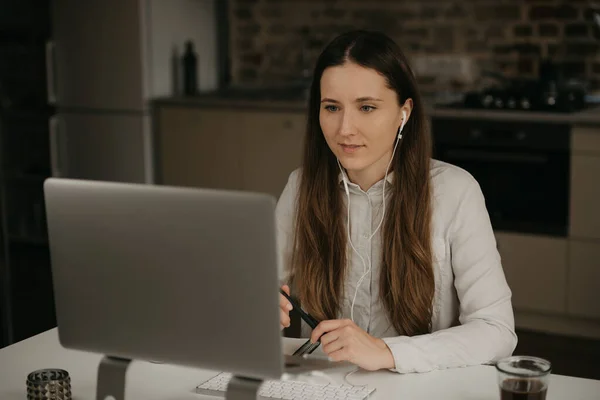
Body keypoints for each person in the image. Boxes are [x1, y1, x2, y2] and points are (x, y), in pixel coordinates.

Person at [275, 30, 517, 374]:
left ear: (403, 112)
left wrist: (387, 352)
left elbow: (497, 331)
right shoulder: (300, 187)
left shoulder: (456, 192)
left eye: (367, 107)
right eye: (332, 107)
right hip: (321, 384)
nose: (345, 128)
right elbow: (254, 286)